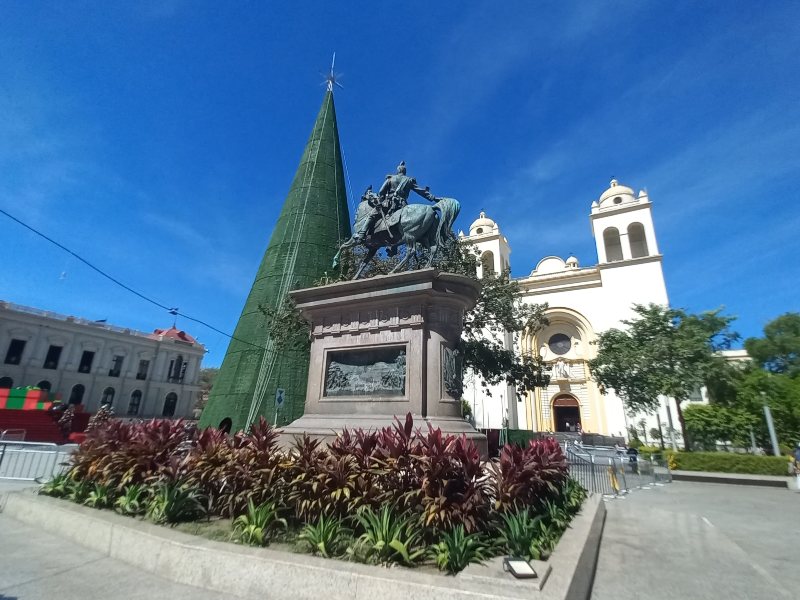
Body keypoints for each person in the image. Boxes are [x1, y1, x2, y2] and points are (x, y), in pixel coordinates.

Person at [353, 161, 436, 242]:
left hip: (389, 203)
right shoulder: (409, 180)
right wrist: (433, 198)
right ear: (404, 172)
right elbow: (421, 191)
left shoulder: (391, 178)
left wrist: (382, 198)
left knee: (372, 215)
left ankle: (361, 234)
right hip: (402, 205)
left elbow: (381, 191)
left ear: (398, 171)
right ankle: (393, 247)